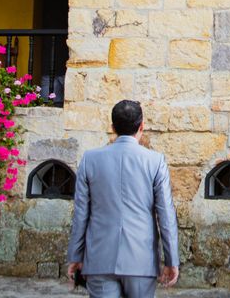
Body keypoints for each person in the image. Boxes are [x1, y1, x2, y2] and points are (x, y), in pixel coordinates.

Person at [67, 100, 179, 298]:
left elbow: (81, 213)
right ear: (141, 126)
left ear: (112, 127)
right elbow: (166, 215)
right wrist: (172, 260)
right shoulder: (155, 161)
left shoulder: (89, 159)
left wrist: (76, 255)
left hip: (99, 258)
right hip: (141, 260)